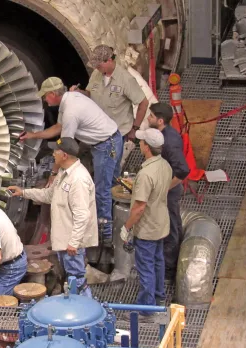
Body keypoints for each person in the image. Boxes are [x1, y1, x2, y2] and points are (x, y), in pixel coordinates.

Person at [21, 77, 122, 246]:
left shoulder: (71, 111)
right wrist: (32, 135)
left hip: (106, 145)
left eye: (45, 96)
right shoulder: (68, 100)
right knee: (110, 187)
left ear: (53, 94)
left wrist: (53, 174)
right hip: (107, 140)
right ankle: (114, 224)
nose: (45, 100)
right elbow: (58, 128)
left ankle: (105, 236)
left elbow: (64, 150)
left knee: (103, 190)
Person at [8, 138, 97, 297]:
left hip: (71, 244)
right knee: (71, 280)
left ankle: (85, 314)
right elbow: (49, 195)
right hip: (65, 241)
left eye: (56, 151)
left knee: (77, 281)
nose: (53, 154)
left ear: (64, 155)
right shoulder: (64, 173)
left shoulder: (78, 179)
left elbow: (82, 215)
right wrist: (23, 192)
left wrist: (74, 243)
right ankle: (75, 311)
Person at [71, 44, 149, 179]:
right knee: (85, 162)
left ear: (109, 60)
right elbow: (90, 94)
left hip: (115, 135)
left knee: (109, 173)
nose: (96, 68)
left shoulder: (126, 80)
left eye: (99, 65)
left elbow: (143, 102)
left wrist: (134, 128)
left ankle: (110, 195)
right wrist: (79, 93)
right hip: (95, 130)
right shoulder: (97, 74)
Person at [120, 128, 172, 318]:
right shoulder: (165, 165)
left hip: (147, 229)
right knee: (158, 262)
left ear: (147, 147)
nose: (140, 143)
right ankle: (158, 298)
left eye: (141, 142)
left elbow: (139, 208)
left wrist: (126, 227)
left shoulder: (145, 174)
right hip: (161, 224)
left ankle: (145, 309)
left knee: (146, 268)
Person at [147, 103, 189, 280]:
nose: (148, 118)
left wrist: (164, 188)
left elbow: (183, 170)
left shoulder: (169, 142)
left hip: (169, 192)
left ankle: (168, 271)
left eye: (151, 116)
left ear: (160, 120)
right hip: (166, 188)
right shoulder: (163, 134)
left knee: (171, 227)